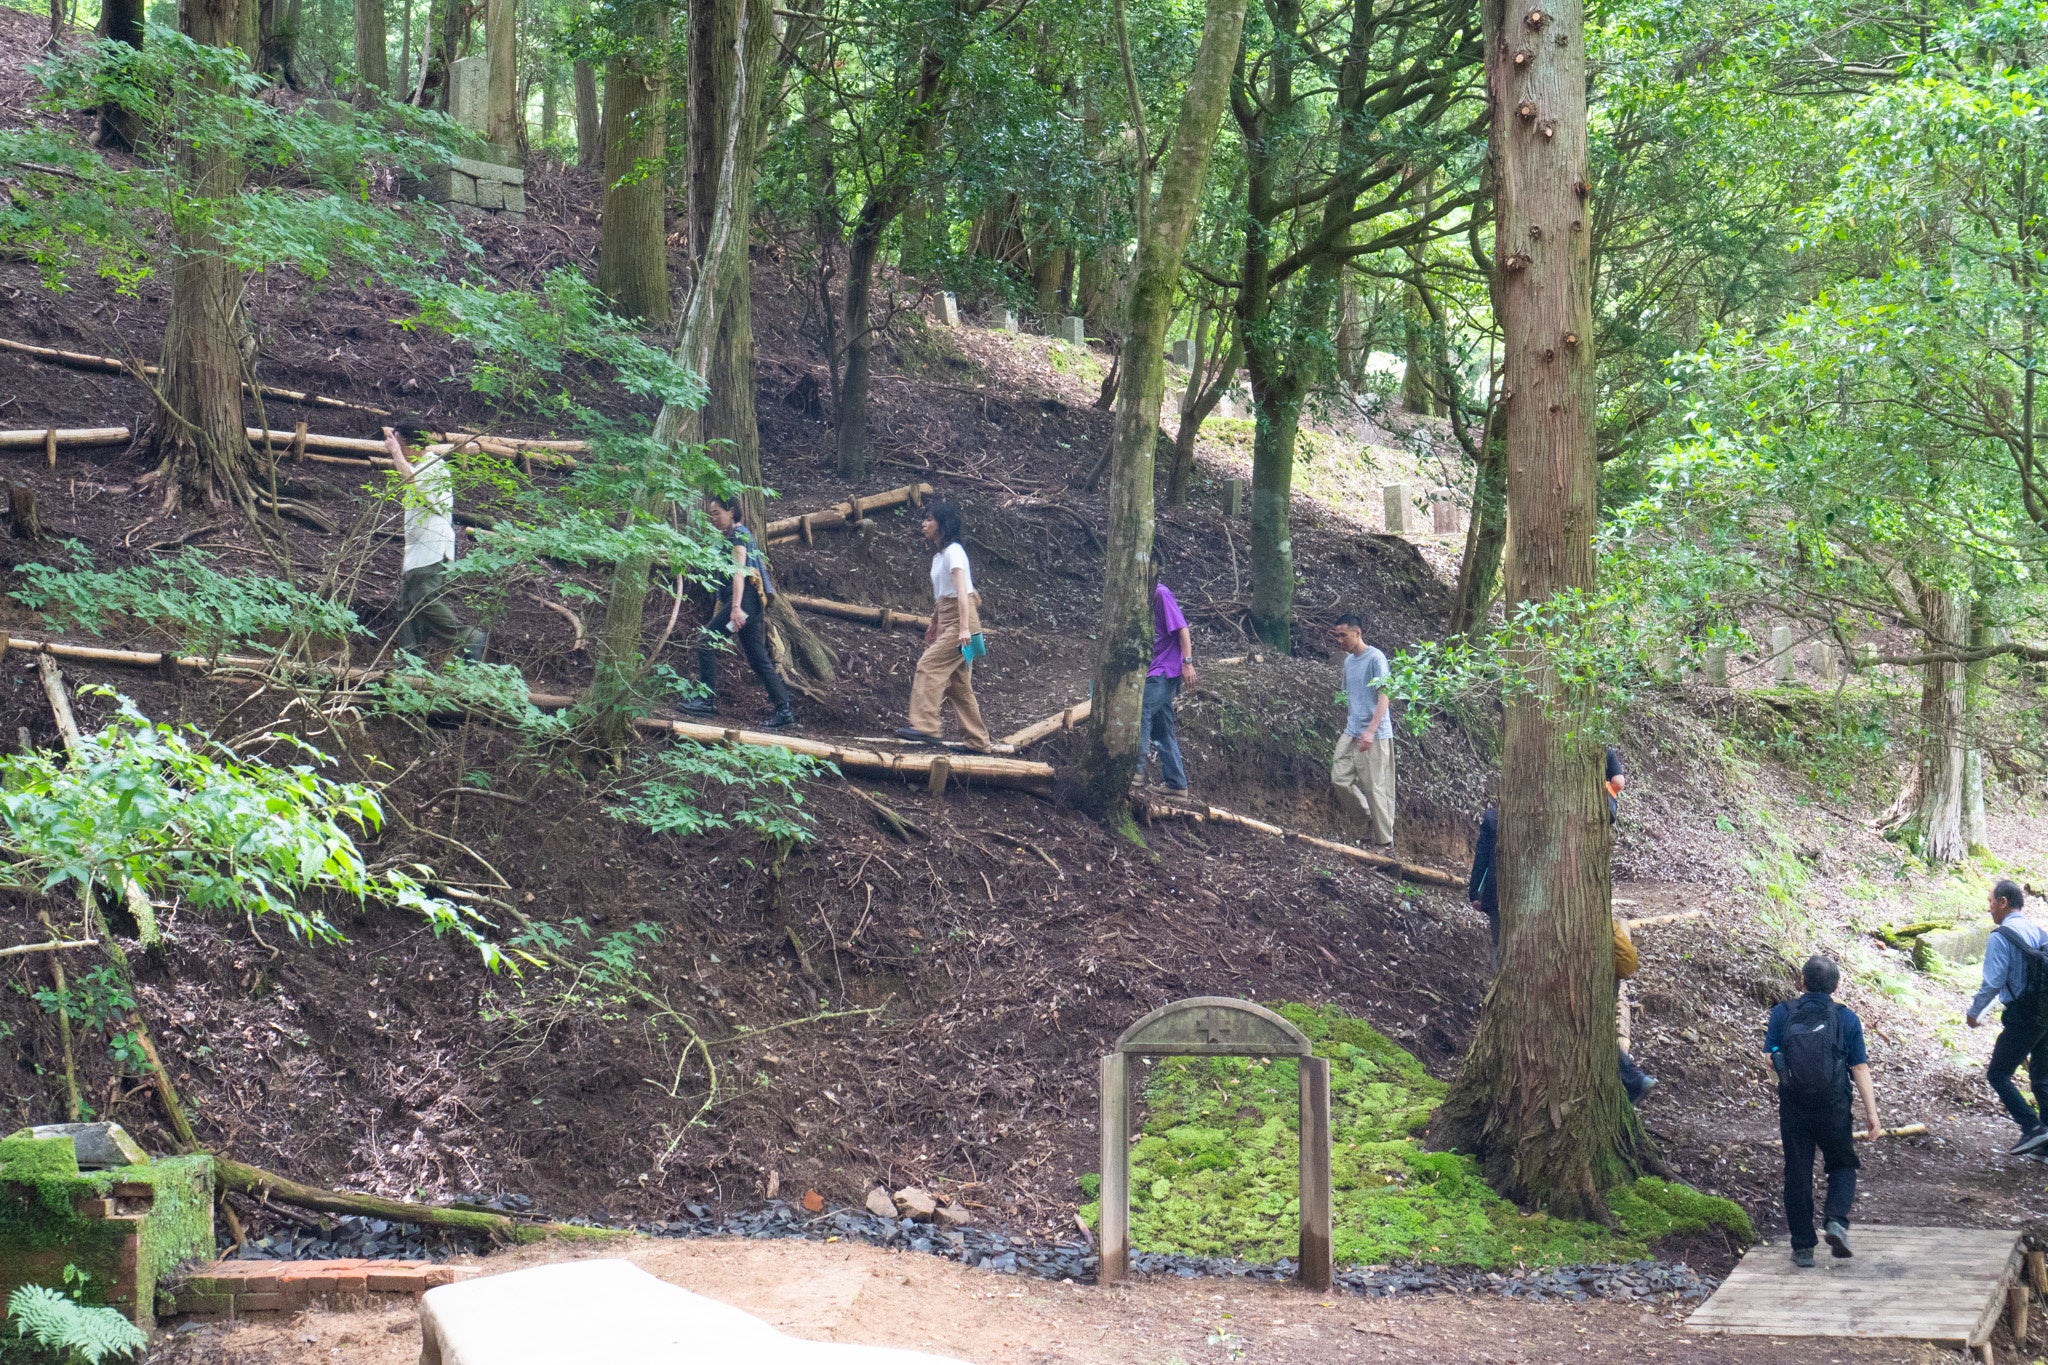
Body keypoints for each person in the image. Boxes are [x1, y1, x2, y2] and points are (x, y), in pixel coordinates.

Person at [1766, 955, 1881, 1267]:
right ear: (1837, 985)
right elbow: (1859, 1067)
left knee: (1798, 1173)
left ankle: (1803, 1247)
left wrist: (1788, 1079)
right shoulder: (1847, 1019)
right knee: (1842, 1165)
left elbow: (1769, 1058)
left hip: (1794, 1108)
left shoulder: (1783, 1013)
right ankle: (1836, 1222)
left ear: (1801, 982)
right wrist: (1872, 1113)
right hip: (1834, 1107)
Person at [681, 495, 796, 730]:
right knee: (757, 656)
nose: (713, 518)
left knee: (706, 641)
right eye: (711, 514)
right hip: (748, 605)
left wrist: (734, 608)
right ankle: (783, 709)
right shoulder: (731, 536)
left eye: (716, 513)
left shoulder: (739, 535)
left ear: (731, 511)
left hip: (744, 604)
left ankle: (706, 700)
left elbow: (738, 571)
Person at [896, 498, 990, 751]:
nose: (923, 523)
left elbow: (963, 593)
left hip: (963, 619)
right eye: (924, 518)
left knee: (928, 665)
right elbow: (942, 596)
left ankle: (926, 726)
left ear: (942, 524)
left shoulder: (954, 552)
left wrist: (963, 629)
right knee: (958, 686)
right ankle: (977, 742)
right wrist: (934, 624)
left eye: (929, 519)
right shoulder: (939, 556)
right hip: (948, 617)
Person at [384, 428, 486, 661]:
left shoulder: (434, 467)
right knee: (407, 608)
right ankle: (410, 662)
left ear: (413, 445)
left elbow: (414, 482)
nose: (400, 451)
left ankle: (469, 638)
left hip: (432, 549)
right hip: (417, 553)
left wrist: (396, 454)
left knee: (423, 599)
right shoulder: (422, 467)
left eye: (402, 445)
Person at [1967, 880, 2048, 1154]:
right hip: (2045, 1015)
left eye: (1991, 901)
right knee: (2041, 1079)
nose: (1989, 908)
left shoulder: (2000, 937)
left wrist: (1975, 1012)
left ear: (2003, 902)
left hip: (2023, 1016)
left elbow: (1993, 982)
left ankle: (2032, 1128)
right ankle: (2045, 1148)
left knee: (1998, 1073)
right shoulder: (2038, 932)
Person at [1330, 614, 1395, 846]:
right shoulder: (1348, 662)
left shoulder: (1376, 658)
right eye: (1336, 635)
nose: (1339, 640)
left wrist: (1370, 730)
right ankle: (1367, 819)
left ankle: (1385, 844)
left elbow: (1385, 696)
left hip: (1375, 734)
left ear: (1357, 633)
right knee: (1339, 778)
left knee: (1376, 789)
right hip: (1352, 730)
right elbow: (1351, 696)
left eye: (1343, 635)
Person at [1141, 570, 1196, 795]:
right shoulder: (1137, 596)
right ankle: (1176, 784)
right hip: (1151, 667)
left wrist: (1187, 662)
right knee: (1163, 729)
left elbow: (1182, 629)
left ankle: (1134, 771)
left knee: (1142, 709)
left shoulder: (1160, 594)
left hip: (1166, 669)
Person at [1467, 802, 1499, 963]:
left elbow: (1481, 858)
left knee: (1498, 942)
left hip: (1496, 892)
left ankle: (1498, 983)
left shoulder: (1493, 818)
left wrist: (1475, 894)